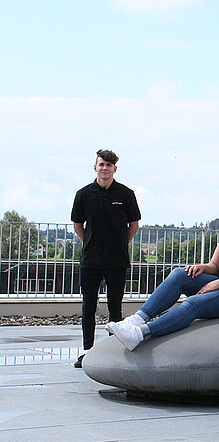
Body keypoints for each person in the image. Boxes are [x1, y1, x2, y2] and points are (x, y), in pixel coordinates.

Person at [107, 180, 219, 351]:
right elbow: (215, 265)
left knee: (195, 303)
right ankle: (136, 319)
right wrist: (203, 268)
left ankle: (139, 334)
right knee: (179, 274)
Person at [71, 149, 141, 368]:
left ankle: (113, 352)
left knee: (115, 307)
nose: (105, 168)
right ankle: (87, 352)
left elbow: (134, 225)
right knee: (88, 305)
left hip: (116, 260)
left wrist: (120, 244)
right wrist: (90, 242)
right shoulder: (83, 194)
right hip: (91, 260)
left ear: (114, 169)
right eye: (101, 164)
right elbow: (77, 224)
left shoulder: (125, 194)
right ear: (95, 167)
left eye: (109, 165)